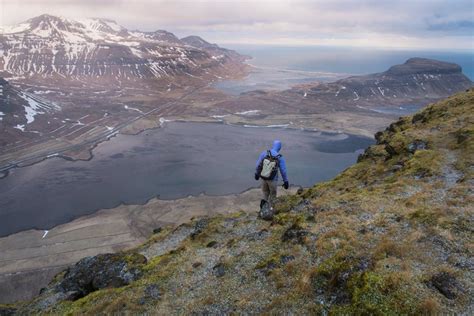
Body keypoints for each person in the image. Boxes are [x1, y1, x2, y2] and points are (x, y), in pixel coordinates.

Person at [255, 140, 289, 209]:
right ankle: (270, 211)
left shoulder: (264, 153)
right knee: (273, 195)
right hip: (273, 180)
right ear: (279, 147)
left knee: (265, 193)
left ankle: (262, 210)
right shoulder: (279, 157)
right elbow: (283, 171)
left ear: (273, 145)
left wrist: (257, 174)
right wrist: (285, 181)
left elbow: (258, 165)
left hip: (263, 178)